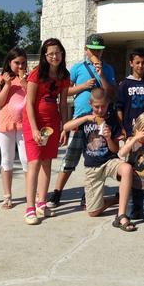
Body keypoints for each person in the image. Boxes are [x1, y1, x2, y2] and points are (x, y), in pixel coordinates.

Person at [48, 34, 116, 209]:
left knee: (97, 157)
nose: (96, 53)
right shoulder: (78, 68)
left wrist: (102, 75)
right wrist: (83, 86)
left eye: (99, 51)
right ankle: (57, 192)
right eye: (93, 50)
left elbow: (111, 93)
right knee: (70, 157)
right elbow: (65, 92)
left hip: (99, 119)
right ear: (86, 50)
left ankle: (90, 194)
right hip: (80, 118)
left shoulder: (108, 69)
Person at [62, 88, 136, 231]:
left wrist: (108, 138)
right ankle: (115, 199)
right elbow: (66, 126)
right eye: (97, 107)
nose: (100, 110)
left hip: (109, 161)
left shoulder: (112, 119)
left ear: (108, 104)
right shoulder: (85, 117)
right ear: (90, 104)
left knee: (127, 168)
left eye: (103, 106)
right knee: (93, 212)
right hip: (92, 166)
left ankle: (121, 214)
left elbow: (115, 150)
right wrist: (86, 118)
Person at [22, 38, 70, 225]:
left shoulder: (64, 75)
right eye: (50, 54)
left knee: (47, 162)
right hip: (34, 122)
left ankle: (42, 203)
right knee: (34, 162)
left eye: (57, 53)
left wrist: (64, 127)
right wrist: (34, 128)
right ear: (44, 55)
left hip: (52, 123)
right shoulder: (37, 74)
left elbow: (63, 104)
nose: (54, 56)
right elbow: (29, 103)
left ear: (62, 53)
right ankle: (30, 208)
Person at [0, 47, 29, 210]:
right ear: (9, 62)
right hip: (5, 123)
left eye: (23, 63)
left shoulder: (29, 78)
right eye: (17, 63)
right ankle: (7, 196)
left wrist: (24, 82)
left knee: (26, 159)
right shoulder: (2, 79)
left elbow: (33, 98)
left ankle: (31, 193)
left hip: (23, 123)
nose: (20, 66)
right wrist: (7, 84)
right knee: (7, 159)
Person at [116, 50, 144, 139]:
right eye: (137, 63)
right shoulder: (124, 84)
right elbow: (119, 108)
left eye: (143, 63)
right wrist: (121, 127)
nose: (140, 66)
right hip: (130, 130)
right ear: (131, 63)